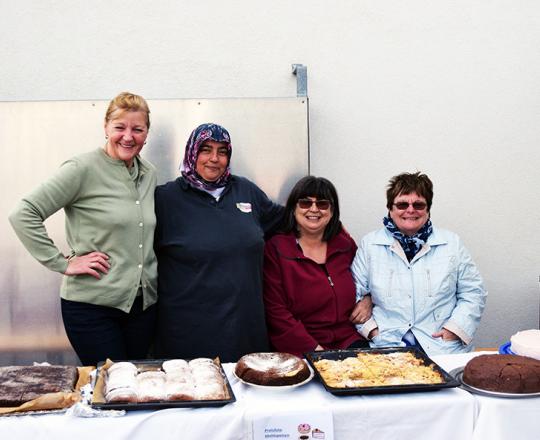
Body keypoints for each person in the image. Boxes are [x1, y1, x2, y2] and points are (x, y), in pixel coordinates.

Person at [9, 92, 157, 366]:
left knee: (136, 390)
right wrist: (63, 263)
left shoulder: (149, 173)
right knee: (111, 390)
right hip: (92, 309)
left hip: (141, 309)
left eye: (137, 129)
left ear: (147, 133)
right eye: (119, 127)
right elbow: (24, 213)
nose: (128, 136)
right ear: (105, 127)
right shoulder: (81, 169)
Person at [153, 123, 284, 362]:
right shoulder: (166, 198)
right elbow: (132, 241)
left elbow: (294, 222)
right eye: (205, 149)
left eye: (222, 151)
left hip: (244, 330)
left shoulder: (245, 191)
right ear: (192, 152)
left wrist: (337, 231)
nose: (214, 158)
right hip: (187, 333)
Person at [351, 171, 487, 355]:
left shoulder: (451, 243)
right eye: (402, 204)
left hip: (441, 346)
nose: (410, 210)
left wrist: (454, 329)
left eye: (418, 204)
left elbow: (473, 292)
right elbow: (354, 294)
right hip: (386, 344)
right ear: (390, 209)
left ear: (428, 209)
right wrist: (371, 331)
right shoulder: (370, 244)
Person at [263, 176, 370, 357]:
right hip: (301, 346)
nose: (314, 209)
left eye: (322, 204)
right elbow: (275, 311)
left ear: (332, 210)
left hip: (348, 339)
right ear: (293, 208)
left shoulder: (344, 244)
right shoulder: (276, 249)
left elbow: (368, 279)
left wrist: (368, 299)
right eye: (305, 203)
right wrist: (314, 350)